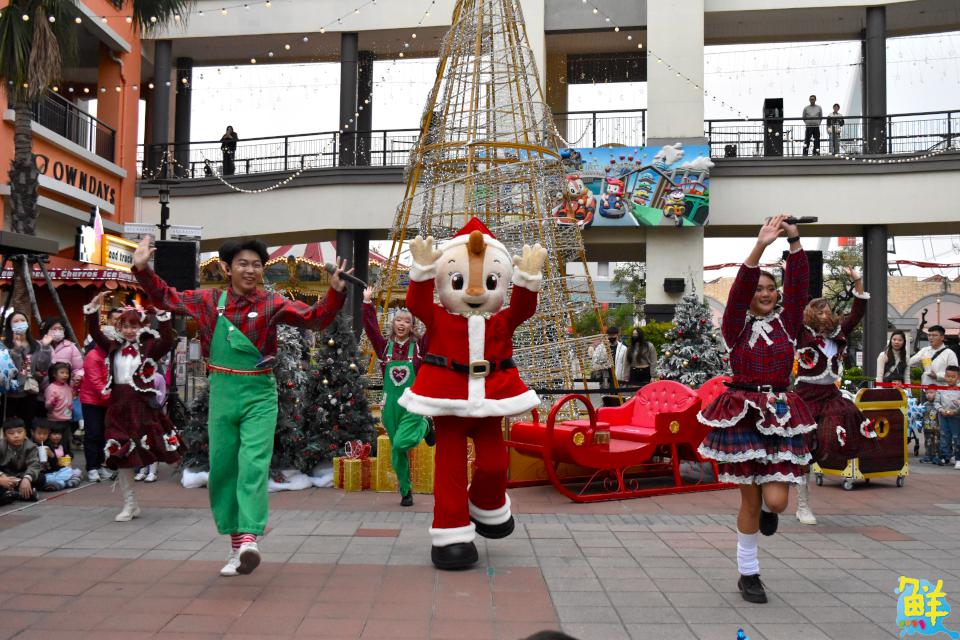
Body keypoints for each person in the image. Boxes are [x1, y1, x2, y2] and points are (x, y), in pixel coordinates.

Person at [131, 234, 350, 577]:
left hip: (259, 393)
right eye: (243, 264)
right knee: (222, 469)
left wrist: (335, 292)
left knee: (252, 464)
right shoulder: (208, 301)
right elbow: (167, 298)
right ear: (226, 268)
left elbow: (314, 318)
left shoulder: (273, 302)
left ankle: (249, 539)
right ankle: (237, 549)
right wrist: (143, 270)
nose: (250, 270)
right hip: (222, 391)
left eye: (256, 265)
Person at [697, 215, 814, 605]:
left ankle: (770, 509)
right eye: (759, 288)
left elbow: (799, 287)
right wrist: (761, 244)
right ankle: (748, 574)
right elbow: (738, 291)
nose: (766, 293)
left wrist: (794, 241)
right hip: (743, 414)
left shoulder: (789, 324)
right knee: (749, 501)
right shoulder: (735, 327)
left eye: (771, 288)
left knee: (777, 501)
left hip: (779, 414)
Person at [84, 297, 179, 522]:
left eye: (133, 326)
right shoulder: (112, 346)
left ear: (142, 327)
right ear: (119, 327)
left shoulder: (150, 347)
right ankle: (130, 503)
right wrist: (93, 309)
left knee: (146, 448)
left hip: (141, 406)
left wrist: (162, 316)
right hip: (117, 406)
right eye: (125, 326)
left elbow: (168, 340)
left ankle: (143, 486)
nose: (128, 331)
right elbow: (94, 332)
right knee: (120, 452)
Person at [793, 269, 876, 526]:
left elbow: (858, 312)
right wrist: (791, 275)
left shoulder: (839, 333)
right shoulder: (802, 334)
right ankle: (803, 505)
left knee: (833, 436)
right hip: (806, 396)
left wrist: (857, 281)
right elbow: (791, 309)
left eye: (828, 311)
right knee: (802, 449)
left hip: (830, 395)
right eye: (820, 312)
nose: (825, 315)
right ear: (810, 314)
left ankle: (824, 464)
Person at [361, 288, 435, 507]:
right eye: (398, 320)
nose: (402, 324)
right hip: (390, 404)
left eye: (407, 321)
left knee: (404, 441)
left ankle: (425, 426)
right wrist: (367, 303)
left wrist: (434, 306)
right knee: (397, 449)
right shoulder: (384, 347)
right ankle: (405, 490)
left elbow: (434, 328)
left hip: (413, 402)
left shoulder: (419, 347)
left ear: (412, 326)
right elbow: (371, 329)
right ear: (393, 324)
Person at [79, 310, 120, 483]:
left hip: (106, 400)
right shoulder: (93, 356)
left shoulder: (113, 355)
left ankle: (101, 464)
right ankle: (92, 467)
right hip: (92, 401)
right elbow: (96, 383)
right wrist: (112, 397)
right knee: (93, 433)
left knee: (104, 434)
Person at [3, 312, 52, 430]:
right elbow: (13, 370)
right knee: (10, 427)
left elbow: (43, 367)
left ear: (27, 323)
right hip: (10, 394)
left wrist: (46, 348)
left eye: (22, 320)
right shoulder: (5, 345)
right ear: (10, 325)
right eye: (16, 321)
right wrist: (16, 350)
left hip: (30, 392)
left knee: (27, 425)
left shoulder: (36, 345)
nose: (20, 323)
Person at [0, 417, 40, 504]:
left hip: (20, 476)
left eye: (20, 432)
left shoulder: (31, 446)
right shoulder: (1, 445)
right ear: (5, 436)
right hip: (3, 475)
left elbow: (34, 465)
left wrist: (27, 478)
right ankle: (16, 494)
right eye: (11, 433)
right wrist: (2, 477)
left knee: (40, 478)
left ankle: (14, 493)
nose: (16, 436)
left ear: (25, 433)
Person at [32, 419, 78, 491]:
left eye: (45, 434)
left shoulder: (49, 446)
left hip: (52, 472)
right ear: (32, 433)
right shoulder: (31, 446)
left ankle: (57, 483)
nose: (42, 436)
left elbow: (56, 466)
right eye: (39, 433)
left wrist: (52, 455)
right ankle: (65, 482)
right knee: (42, 478)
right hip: (40, 474)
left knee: (68, 470)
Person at [937, 365, 960, 468]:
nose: (950, 379)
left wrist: (955, 411)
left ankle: (958, 458)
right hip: (943, 416)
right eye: (948, 376)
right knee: (944, 436)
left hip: (956, 417)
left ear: (958, 378)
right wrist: (942, 410)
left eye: (953, 377)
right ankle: (945, 456)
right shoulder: (940, 389)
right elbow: (936, 402)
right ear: (945, 376)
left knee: (957, 437)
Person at [44, 363, 75, 432]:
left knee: (66, 437)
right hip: (55, 420)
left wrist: (71, 406)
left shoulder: (67, 386)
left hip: (67, 418)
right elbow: (47, 406)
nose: (65, 375)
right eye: (62, 372)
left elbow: (69, 399)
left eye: (67, 373)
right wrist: (52, 403)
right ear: (54, 374)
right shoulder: (51, 388)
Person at [919, 389, 941, 464]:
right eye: (927, 393)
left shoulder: (938, 405)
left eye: (931, 392)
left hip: (937, 428)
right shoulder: (925, 404)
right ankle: (928, 455)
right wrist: (920, 425)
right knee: (928, 441)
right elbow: (921, 415)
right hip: (927, 427)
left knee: (936, 442)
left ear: (937, 394)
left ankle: (937, 456)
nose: (928, 395)